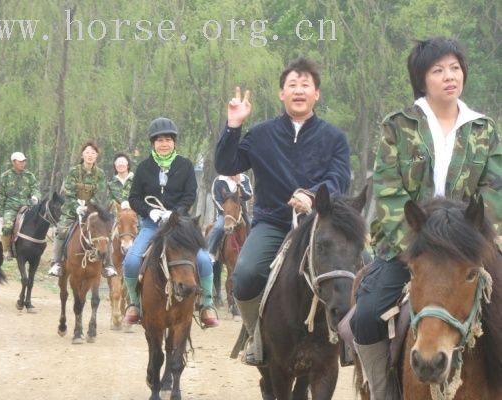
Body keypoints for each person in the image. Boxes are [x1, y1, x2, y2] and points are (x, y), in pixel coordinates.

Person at [350, 37, 502, 399]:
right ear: (422, 80)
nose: (450, 76)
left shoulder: (484, 129)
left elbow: (494, 192)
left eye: (455, 68)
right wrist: (421, 244)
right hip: (413, 248)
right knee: (367, 316)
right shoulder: (397, 127)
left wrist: (469, 239)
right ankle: (383, 390)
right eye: (438, 70)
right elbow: (388, 193)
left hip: (468, 249)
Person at [215, 57, 351, 365]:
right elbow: (226, 164)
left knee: (363, 271)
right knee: (246, 275)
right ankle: (255, 335)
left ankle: (349, 339)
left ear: (317, 93)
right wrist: (233, 126)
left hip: (322, 224)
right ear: (281, 94)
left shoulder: (334, 138)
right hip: (273, 223)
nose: (299, 91)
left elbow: (340, 177)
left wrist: (314, 196)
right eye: (292, 85)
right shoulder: (261, 134)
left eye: (306, 85)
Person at [123, 117, 219, 328]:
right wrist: (152, 212)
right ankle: (134, 303)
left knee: (203, 259)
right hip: (151, 225)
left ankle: (207, 304)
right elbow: (134, 198)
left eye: (168, 139)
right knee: (130, 262)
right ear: (153, 143)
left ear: (174, 142)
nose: (164, 143)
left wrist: (175, 213)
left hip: (180, 225)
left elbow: (190, 194)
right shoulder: (144, 168)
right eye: (159, 140)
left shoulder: (185, 166)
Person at [48, 141, 117, 278]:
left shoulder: (100, 174)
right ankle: (56, 263)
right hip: (72, 209)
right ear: (82, 155)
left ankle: (108, 265)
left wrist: (88, 207)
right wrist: (77, 207)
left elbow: (100, 194)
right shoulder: (74, 172)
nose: (90, 155)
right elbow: (69, 193)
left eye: (93, 153)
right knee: (61, 230)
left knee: (105, 232)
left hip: (92, 211)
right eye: (87, 152)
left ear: (96, 155)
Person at [0, 152, 41, 260]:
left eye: (24, 161)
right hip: (10, 208)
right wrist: (1, 214)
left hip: (27, 206)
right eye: (20, 161)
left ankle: (35, 249)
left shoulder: (30, 176)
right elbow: (0, 196)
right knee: (7, 228)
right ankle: (6, 251)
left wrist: (35, 197)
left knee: (39, 224)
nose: (23, 163)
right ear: (13, 162)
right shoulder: (5, 176)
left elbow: (36, 188)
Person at [207, 173, 253, 260]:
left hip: (242, 213)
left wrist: (240, 185)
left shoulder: (244, 179)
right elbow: (215, 198)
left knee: (252, 226)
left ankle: (253, 254)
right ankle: (210, 253)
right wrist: (225, 211)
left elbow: (249, 195)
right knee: (218, 228)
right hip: (225, 214)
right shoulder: (219, 180)